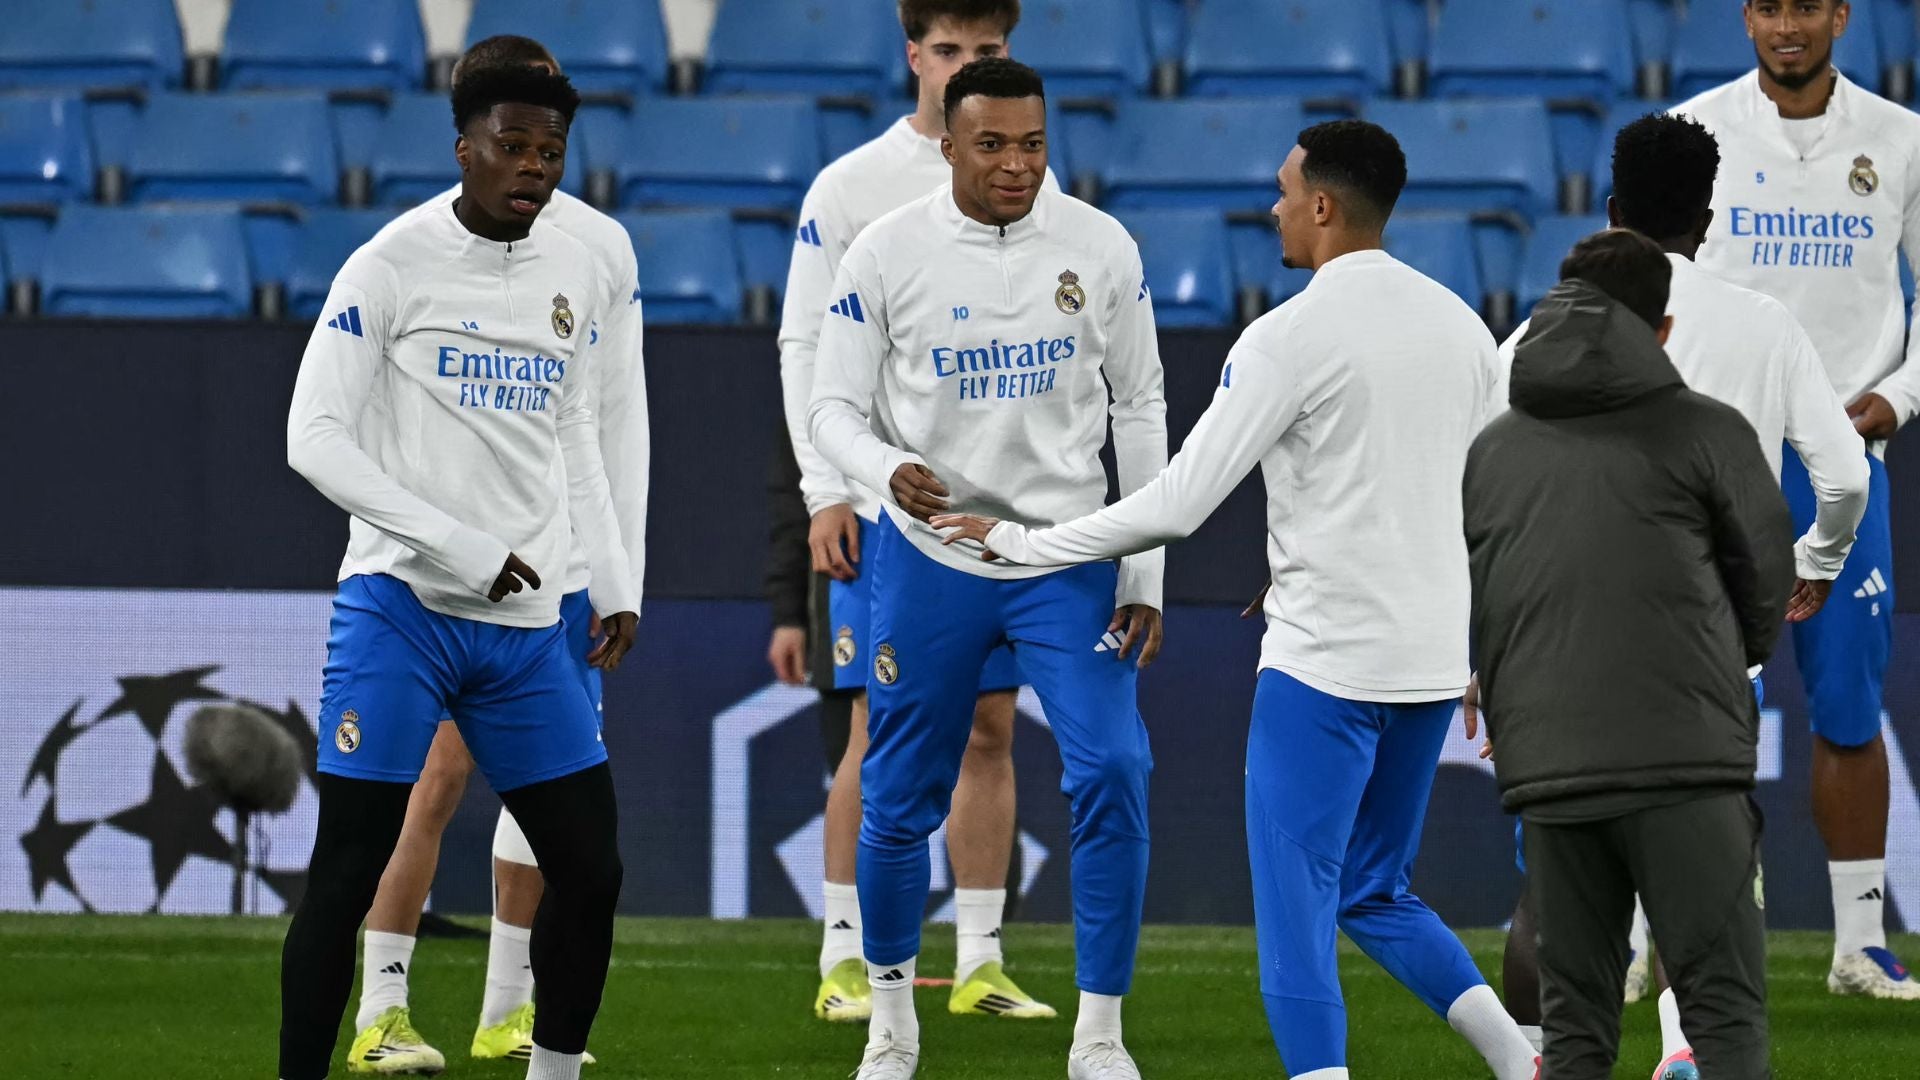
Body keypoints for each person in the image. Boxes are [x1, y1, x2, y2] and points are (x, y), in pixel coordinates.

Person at [935, 119, 1540, 1080]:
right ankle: (1523, 1064)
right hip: (1428, 664)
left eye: (1287, 192)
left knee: (1299, 912)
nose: (1274, 208)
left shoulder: (1286, 338)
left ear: (1324, 206)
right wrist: (1491, 656)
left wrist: (1022, 542)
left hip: (1325, 665)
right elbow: (1492, 506)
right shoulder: (1465, 328)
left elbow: (1176, 505)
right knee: (1376, 889)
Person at [1490, 113, 1872, 1077]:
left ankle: (1544, 1056)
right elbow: (1845, 476)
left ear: (1611, 210)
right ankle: (1685, 1047)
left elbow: (1482, 502)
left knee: (1559, 916)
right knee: (1702, 899)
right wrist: (1817, 563)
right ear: (1708, 218)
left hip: (1557, 667)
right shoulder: (1763, 325)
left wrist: (1482, 658)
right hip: (1702, 668)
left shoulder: (1530, 342)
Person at [808, 57, 1167, 1080]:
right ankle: (891, 1027)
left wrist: (1143, 573)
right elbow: (830, 409)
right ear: (948, 145)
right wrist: (882, 470)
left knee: (1115, 768)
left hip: (1067, 558)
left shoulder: (1101, 245)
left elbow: (1141, 406)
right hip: (933, 558)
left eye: (1034, 144)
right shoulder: (886, 251)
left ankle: (1099, 1038)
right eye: (993, 145)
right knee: (897, 795)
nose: (1018, 165)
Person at [279, 65, 635, 1080]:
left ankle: (551, 1071)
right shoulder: (389, 266)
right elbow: (313, 438)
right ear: (463, 150)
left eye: (550, 153)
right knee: (346, 871)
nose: (533, 170)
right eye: (512, 148)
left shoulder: (574, 270)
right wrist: (463, 547)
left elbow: (573, 428)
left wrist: (611, 575)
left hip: (524, 630)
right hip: (403, 610)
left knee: (591, 870)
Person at [780, 0, 1059, 1024]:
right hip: (883, 511)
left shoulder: (1031, 181)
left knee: (991, 728)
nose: (966, 65)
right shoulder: (849, 188)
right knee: (878, 727)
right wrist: (826, 490)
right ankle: (844, 955)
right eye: (948, 49)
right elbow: (804, 346)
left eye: (987, 49)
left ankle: (980, 959)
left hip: (995, 521)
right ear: (912, 55)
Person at [1466, 228, 1797, 1080]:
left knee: (1575, 1031)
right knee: (1723, 1016)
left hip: (1552, 772)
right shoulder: (1709, 431)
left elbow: (1492, 604)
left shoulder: (1493, 449)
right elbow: (1766, 583)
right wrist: (1716, 668)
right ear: (1662, 329)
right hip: (1685, 763)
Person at [1677, 0, 1920, 998]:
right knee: (1687, 706)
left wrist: (1901, 396)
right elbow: (1650, 285)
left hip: (1844, 463)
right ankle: (1659, 932)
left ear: (1840, 16)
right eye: (1771, 6)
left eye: (1807, 6)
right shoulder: (1694, 130)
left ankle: (1859, 945)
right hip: (1711, 461)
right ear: (1747, 18)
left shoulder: (1902, 139)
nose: (1790, 25)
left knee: (1851, 708)